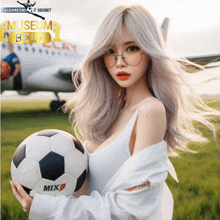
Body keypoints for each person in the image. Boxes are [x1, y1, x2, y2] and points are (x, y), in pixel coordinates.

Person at [10, 5, 220, 219]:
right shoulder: (108, 111)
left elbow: (132, 209)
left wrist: (50, 208)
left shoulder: (150, 110)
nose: (119, 61)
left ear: (149, 50)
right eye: (110, 51)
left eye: (131, 48)